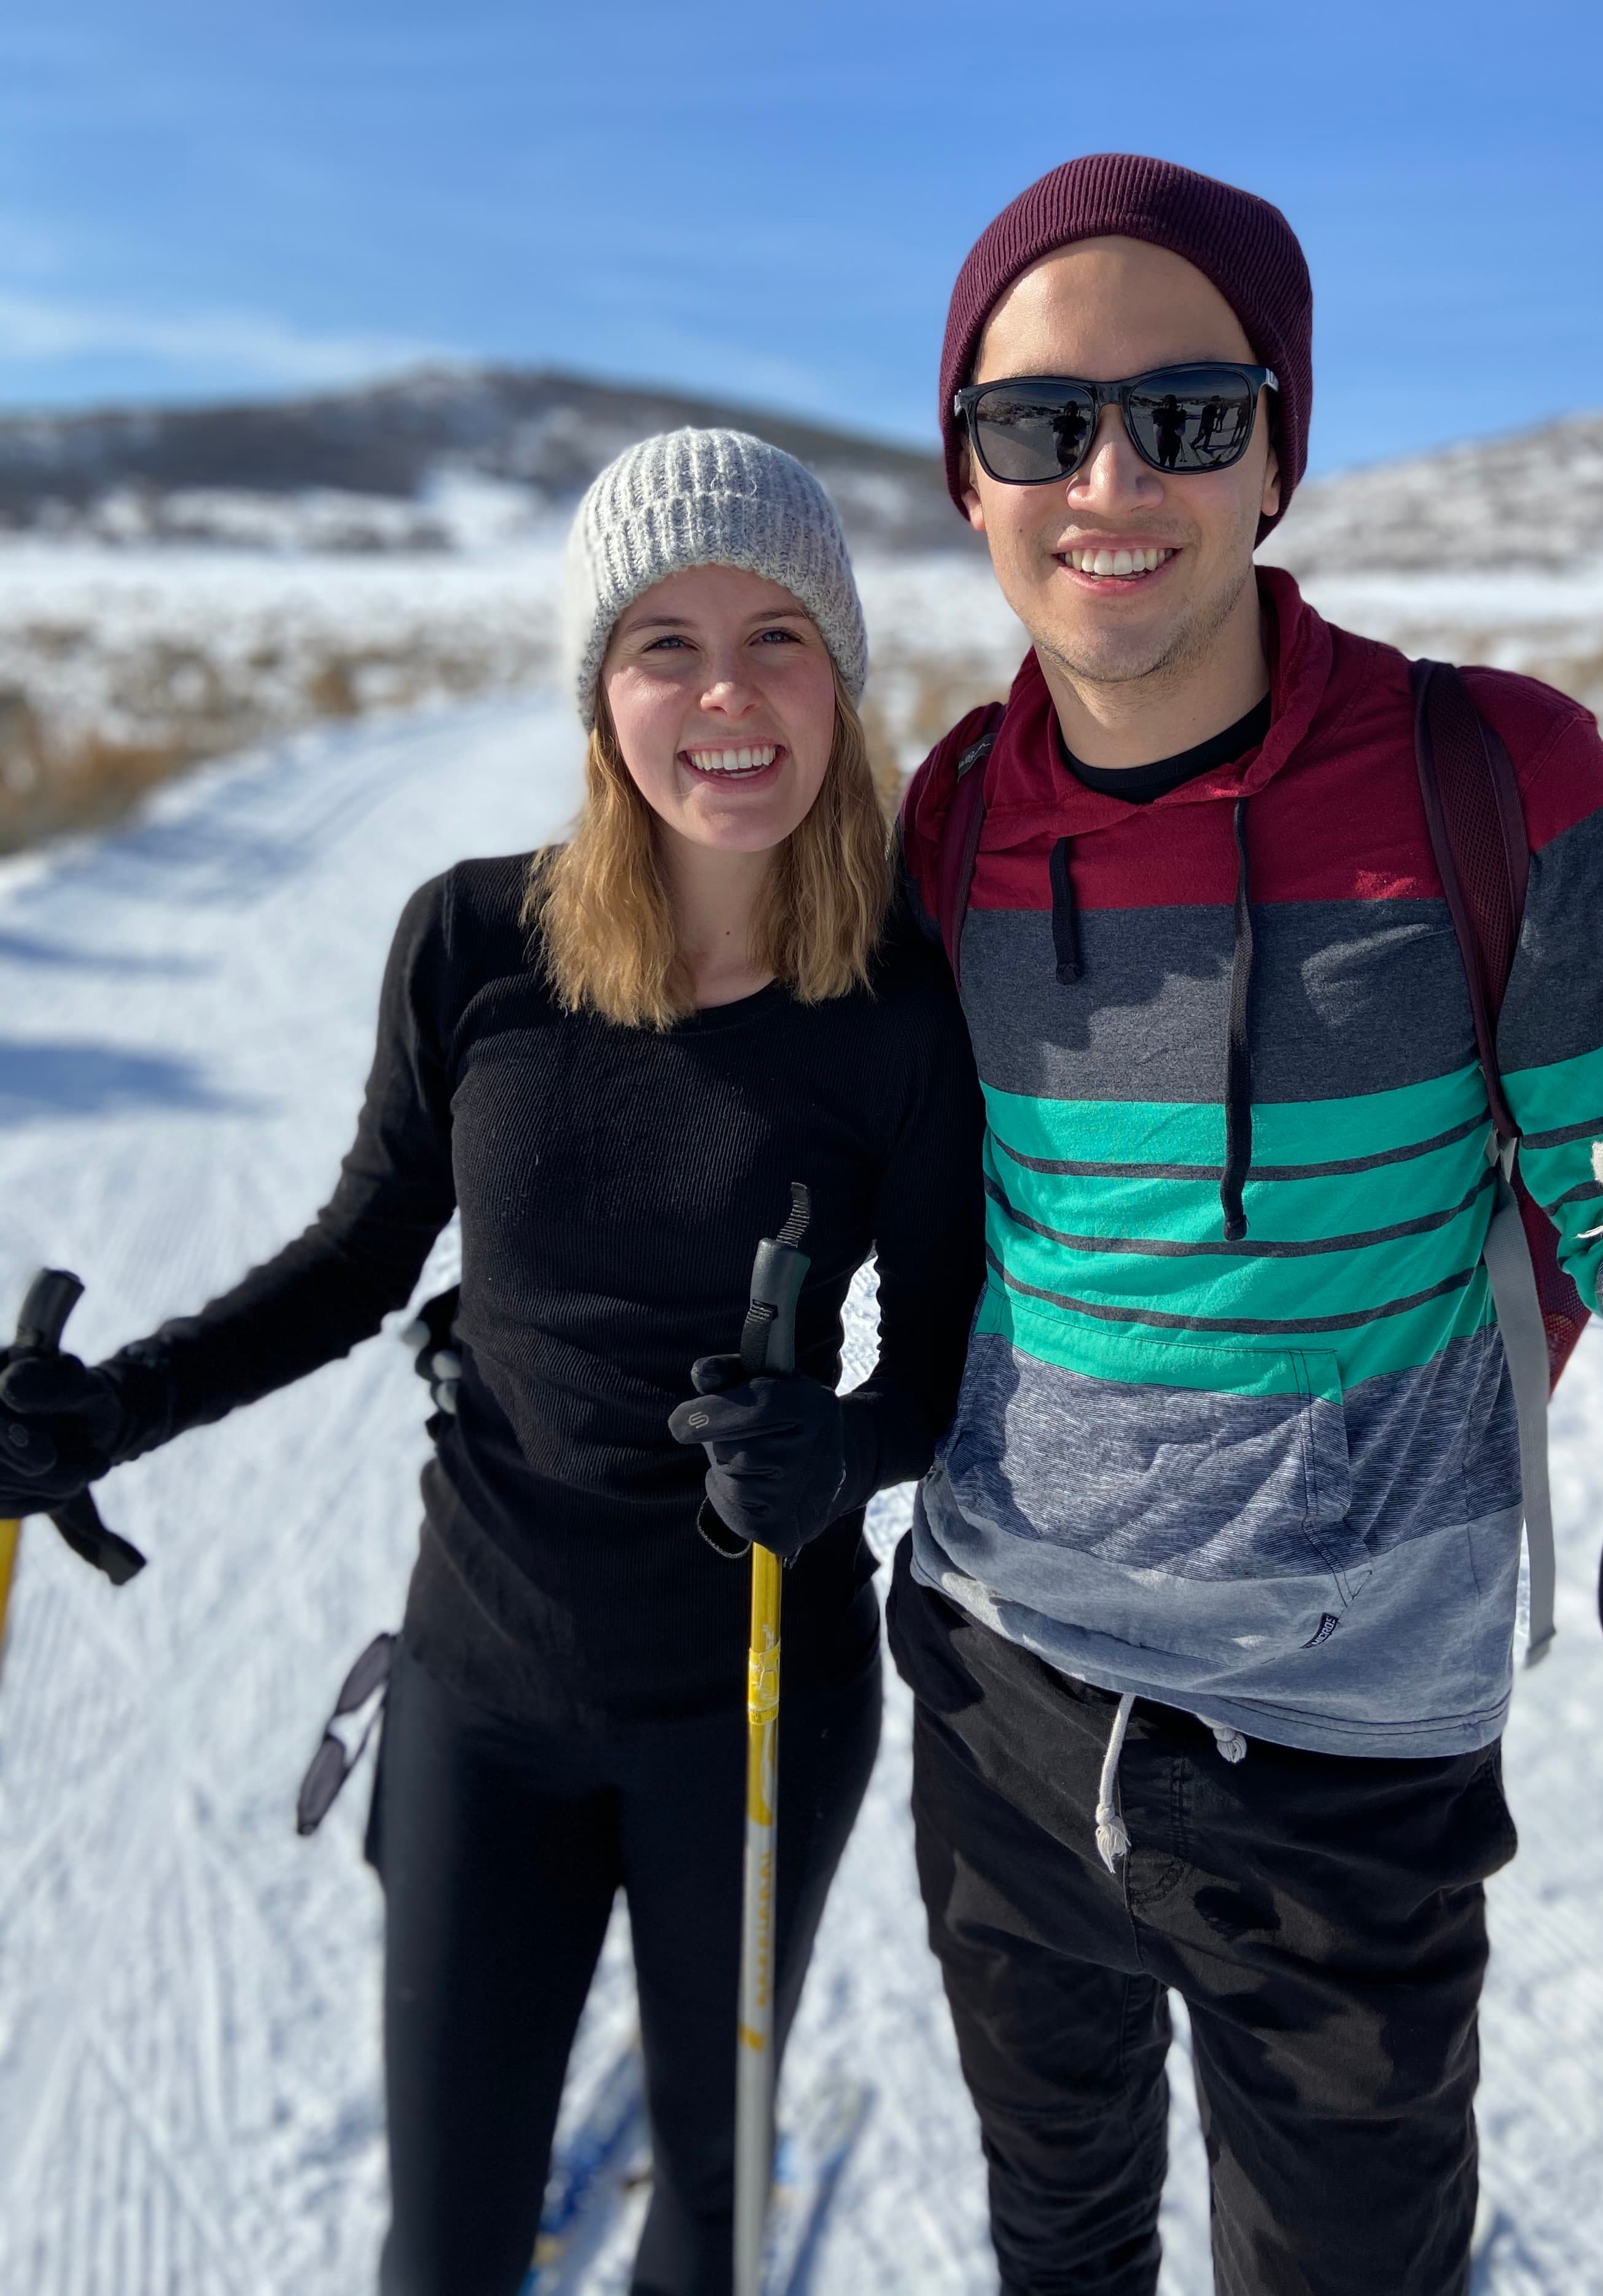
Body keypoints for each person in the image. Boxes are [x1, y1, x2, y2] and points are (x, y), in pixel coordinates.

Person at [884, 155, 1603, 2295]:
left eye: (1189, 415)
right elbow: (905, 1192)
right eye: (1041, 424)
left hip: (1342, 1742)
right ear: (971, 474)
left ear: (1277, 453)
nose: (1111, 476)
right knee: (1054, 2242)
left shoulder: (1492, 773)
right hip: (996, 1686)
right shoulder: (950, 808)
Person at [0, 427, 984, 2296]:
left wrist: (838, 1456)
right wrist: (116, 1402)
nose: (725, 696)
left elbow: (936, 1369)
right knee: (443, 2246)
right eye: (661, 644)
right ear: (596, 688)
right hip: (488, 1679)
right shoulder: (474, 944)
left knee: (713, 2214)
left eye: (778, 636)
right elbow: (361, 1254)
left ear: (841, 676)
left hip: (759, 1700)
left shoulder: (902, 1006)